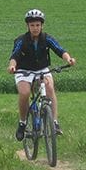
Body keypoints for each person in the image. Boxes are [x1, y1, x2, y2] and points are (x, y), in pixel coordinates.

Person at [7, 9, 76, 141]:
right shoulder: (21, 40)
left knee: (50, 89)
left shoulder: (47, 38)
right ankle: (22, 123)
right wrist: (12, 66)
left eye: (38, 25)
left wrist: (69, 59)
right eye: (32, 25)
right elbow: (14, 55)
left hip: (42, 69)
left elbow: (60, 50)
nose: (35, 28)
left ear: (42, 25)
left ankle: (54, 122)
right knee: (25, 93)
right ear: (27, 26)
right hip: (24, 70)